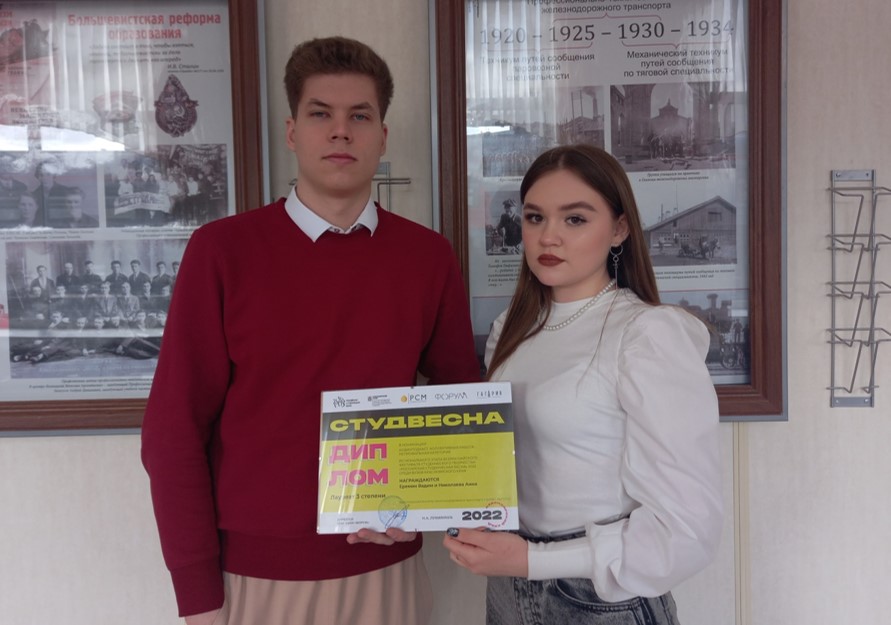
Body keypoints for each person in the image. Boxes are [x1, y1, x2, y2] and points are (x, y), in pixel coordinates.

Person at [141, 36, 479, 625]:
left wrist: (426, 508)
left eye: (359, 117)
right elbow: (173, 431)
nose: (341, 132)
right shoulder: (222, 252)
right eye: (321, 114)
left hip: (388, 570)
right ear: (293, 132)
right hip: (257, 579)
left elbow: (460, 405)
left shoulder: (427, 257)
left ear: (382, 136)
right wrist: (197, 592)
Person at [443, 145, 722, 625]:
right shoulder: (512, 327)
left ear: (619, 229)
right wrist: (400, 512)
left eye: (575, 219)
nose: (548, 236)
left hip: (600, 599)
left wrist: (533, 560)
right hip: (507, 584)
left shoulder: (647, 333)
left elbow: (688, 531)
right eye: (535, 217)